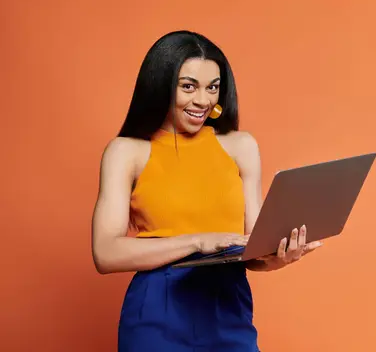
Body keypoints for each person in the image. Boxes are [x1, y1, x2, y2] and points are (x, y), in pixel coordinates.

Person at [91, 30, 322, 351]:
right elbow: (105, 253)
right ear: (160, 85)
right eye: (189, 86)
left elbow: (253, 250)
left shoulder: (241, 146)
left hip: (228, 304)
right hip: (158, 309)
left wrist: (280, 256)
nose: (204, 100)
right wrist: (198, 241)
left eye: (213, 87)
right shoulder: (127, 151)